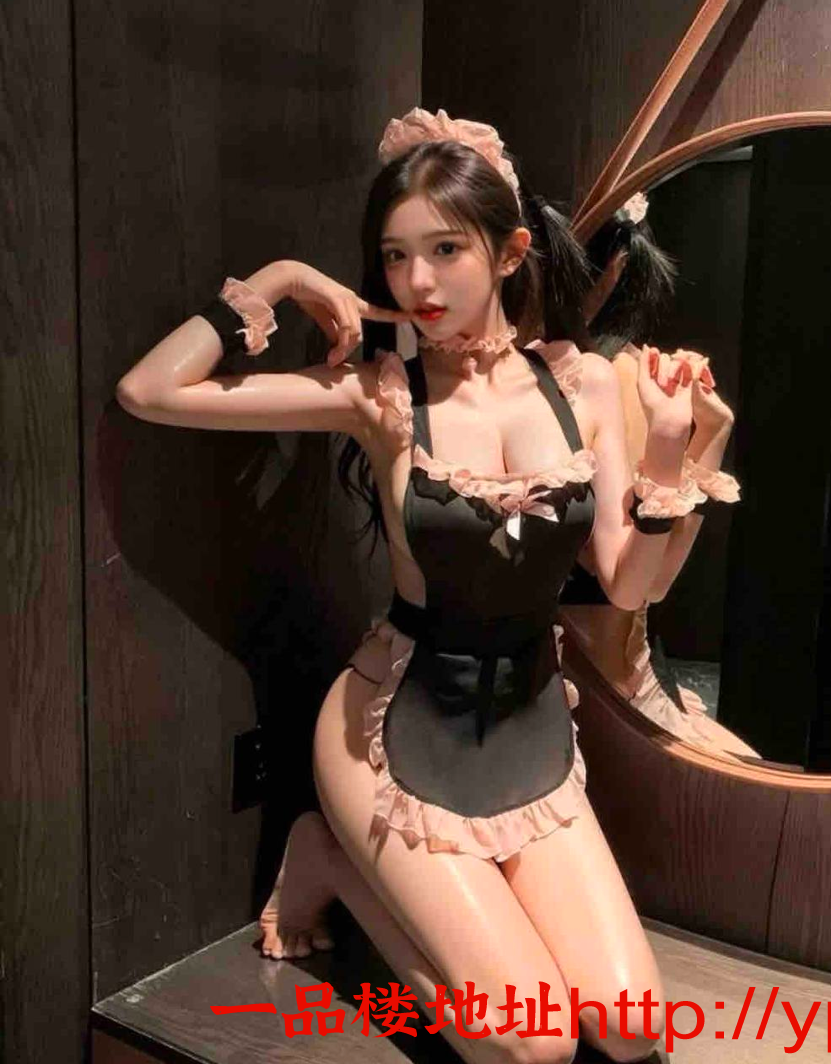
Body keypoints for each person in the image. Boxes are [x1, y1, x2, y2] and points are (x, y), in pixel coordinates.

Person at [115, 106, 715, 1064]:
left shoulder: (587, 387)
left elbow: (627, 585)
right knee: (532, 1047)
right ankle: (335, 863)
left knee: (631, 1029)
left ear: (511, 252)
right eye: (395, 257)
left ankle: (415, 885)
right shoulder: (381, 396)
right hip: (389, 735)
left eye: (445, 249)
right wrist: (282, 280)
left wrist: (672, 451)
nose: (417, 283)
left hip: (528, 734)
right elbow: (150, 392)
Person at [550, 193, 759, 760]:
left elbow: (647, 585)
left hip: (597, 683)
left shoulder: (613, 377)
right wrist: (712, 433)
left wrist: (709, 432)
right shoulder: (616, 372)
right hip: (592, 674)